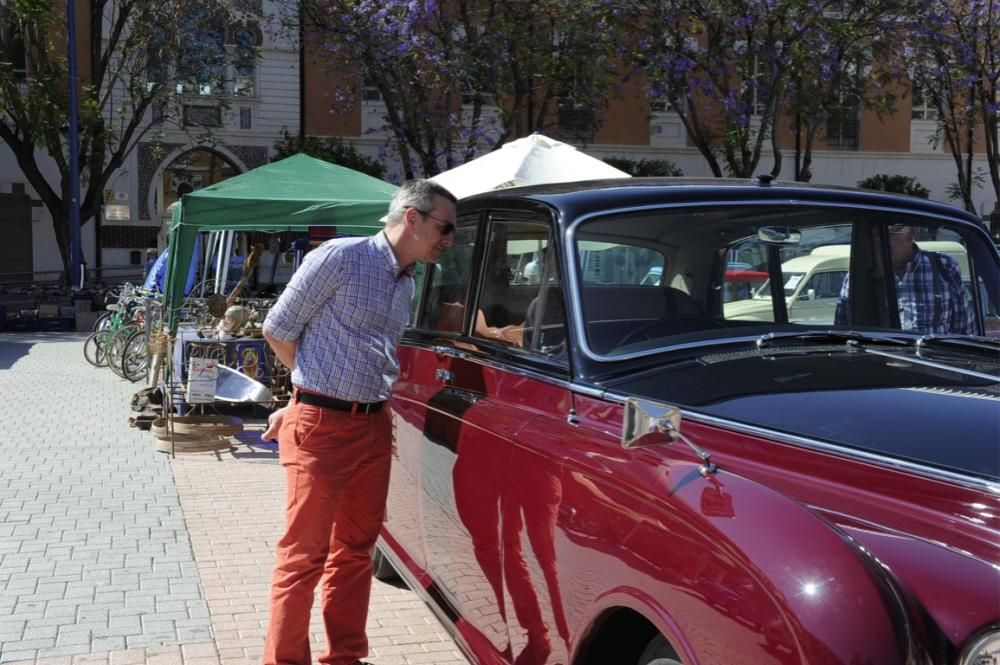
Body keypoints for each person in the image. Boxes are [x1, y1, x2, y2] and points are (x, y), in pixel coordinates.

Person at [260, 179, 457, 665]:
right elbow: (277, 329)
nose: (450, 238)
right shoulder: (341, 257)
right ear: (412, 218)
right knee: (303, 557)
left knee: (355, 551)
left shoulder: (407, 279)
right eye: (445, 227)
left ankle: (345, 657)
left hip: (373, 426)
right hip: (322, 427)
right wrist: (308, 391)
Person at [834, 224, 976, 335]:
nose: (881, 241)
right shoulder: (858, 279)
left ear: (913, 231)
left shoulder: (944, 268)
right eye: (877, 234)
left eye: (891, 233)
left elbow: (964, 330)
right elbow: (841, 333)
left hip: (936, 366)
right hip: (880, 367)